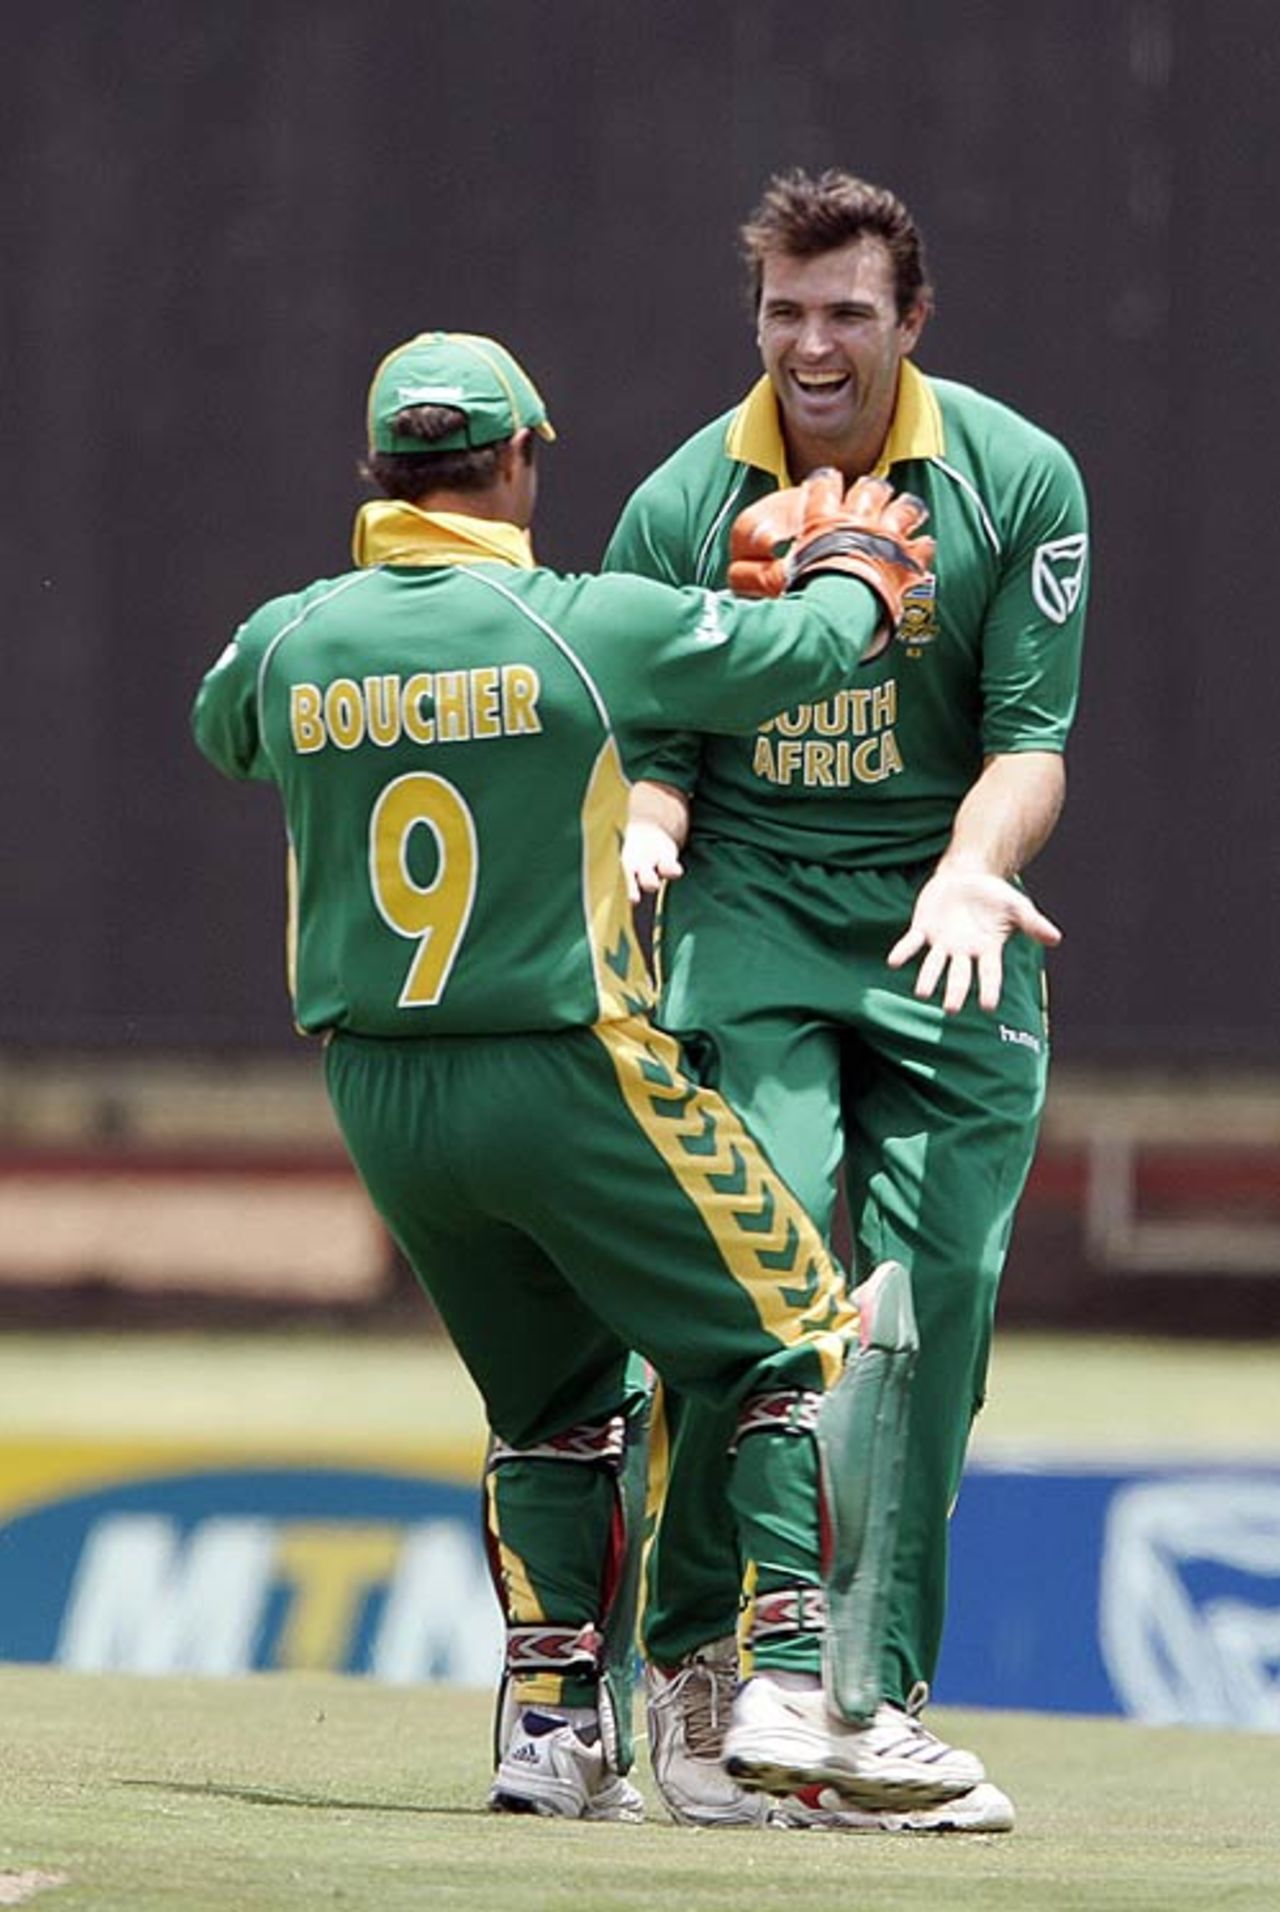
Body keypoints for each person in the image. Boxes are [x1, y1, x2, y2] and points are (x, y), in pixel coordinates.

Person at [190, 327, 984, 1824]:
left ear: (381, 473)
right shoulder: (577, 623)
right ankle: (807, 1699)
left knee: (551, 1405)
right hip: (565, 1061)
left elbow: (222, 722)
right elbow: (802, 661)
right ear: (517, 462)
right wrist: (854, 568)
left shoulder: (294, 634)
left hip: (381, 1093)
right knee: (800, 1346)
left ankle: (554, 1729)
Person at [605, 169, 1090, 1834]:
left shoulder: (1017, 481)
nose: (813, 348)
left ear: (911, 322)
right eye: (785, 314)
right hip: (751, 920)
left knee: (933, 1308)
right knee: (766, 1289)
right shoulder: (684, 503)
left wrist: (967, 870)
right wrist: (649, 839)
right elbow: (656, 753)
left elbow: (1029, 740)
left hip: (950, 923)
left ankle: (871, 1706)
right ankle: (695, 1668)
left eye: (848, 316)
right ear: (758, 318)